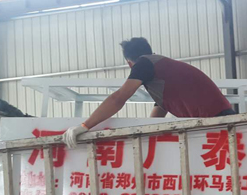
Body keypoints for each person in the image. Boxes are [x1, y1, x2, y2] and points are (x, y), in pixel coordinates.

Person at [62, 37, 236, 148]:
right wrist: (145, 136)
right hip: (218, 119)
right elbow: (160, 109)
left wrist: (85, 126)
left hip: (216, 120)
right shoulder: (162, 70)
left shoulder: (144, 64)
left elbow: (119, 98)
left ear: (129, 63)